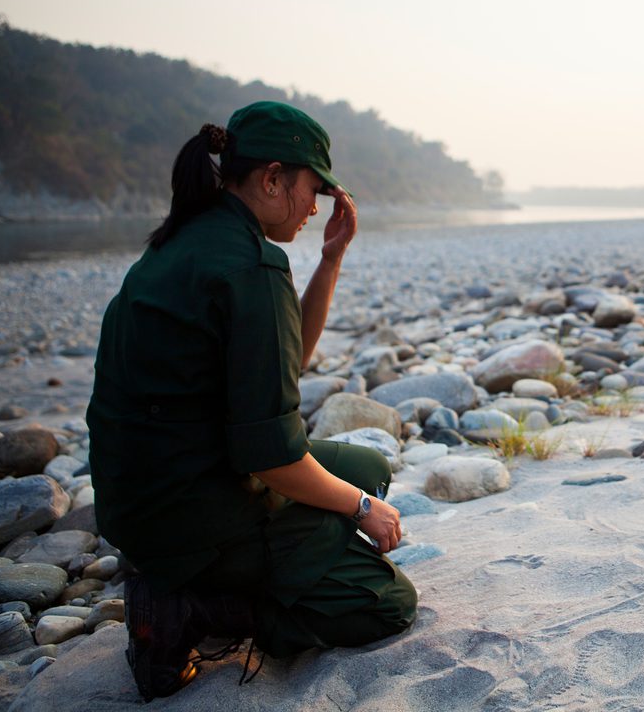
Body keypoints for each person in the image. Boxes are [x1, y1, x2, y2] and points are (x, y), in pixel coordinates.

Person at [87, 101, 418, 701]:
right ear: (270, 179)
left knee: (368, 465)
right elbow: (271, 459)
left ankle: (219, 571)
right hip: (192, 509)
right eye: (310, 188)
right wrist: (362, 508)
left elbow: (286, 366)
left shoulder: (187, 237)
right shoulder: (249, 266)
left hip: (142, 495)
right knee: (385, 601)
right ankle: (193, 611)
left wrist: (330, 259)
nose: (315, 207)